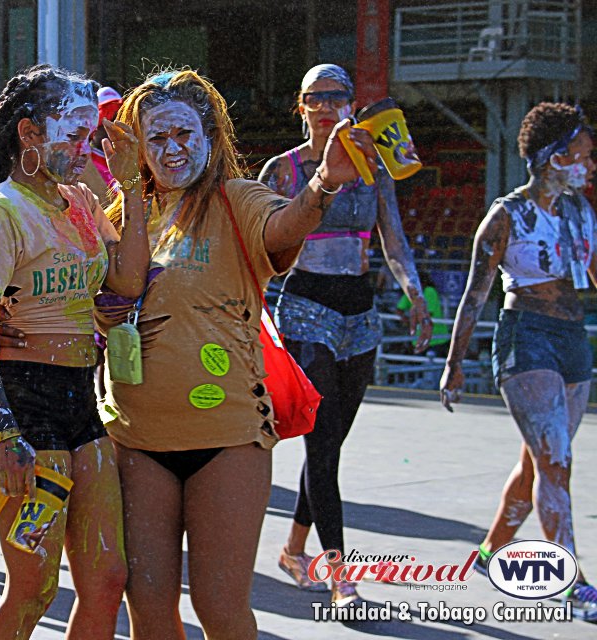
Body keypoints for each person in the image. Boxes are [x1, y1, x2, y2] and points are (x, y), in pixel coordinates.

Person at [93, 68, 377, 638]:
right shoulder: (122, 215)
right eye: (157, 139)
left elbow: (284, 225)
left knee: (221, 611)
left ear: (210, 135)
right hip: (135, 437)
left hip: (226, 439)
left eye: (183, 135)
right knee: (147, 609)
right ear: (137, 148)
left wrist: (323, 182)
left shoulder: (236, 198)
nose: (172, 150)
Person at [0, 64, 148, 639]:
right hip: (24, 408)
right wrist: (5, 436)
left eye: (91, 134)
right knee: (36, 589)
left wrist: (131, 185)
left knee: (108, 577)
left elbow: (129, 282)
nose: (85, 146)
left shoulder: (83, 202)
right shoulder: (0, 213)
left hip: (81, 404)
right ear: (30, 133)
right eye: (75, 133)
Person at [256, 64, 432, 606]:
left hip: (360, 311)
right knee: (323, 439)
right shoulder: (282, 171)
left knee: (329, 444)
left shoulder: (373, 167)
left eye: (339, 96)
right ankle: (337, 573)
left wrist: (416, 294)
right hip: (306, 304)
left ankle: (293, 548)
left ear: (353, 104)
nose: (329, 106)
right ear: (301, 106)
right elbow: (256, 243)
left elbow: (394, 238)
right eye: (317, 98)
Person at [440, 102, 597, 619]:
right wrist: (454, 362)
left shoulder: (580, 211)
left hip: (572, 338)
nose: (590, 165)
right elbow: (474, 294)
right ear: (555, 158)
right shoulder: (505, 217)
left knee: (539, 463)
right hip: (526, 339)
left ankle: (488, 555)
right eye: (583, 155)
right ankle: (571, 582)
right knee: (556, 461)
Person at [81, 86, 123, 206]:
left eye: (118, 121)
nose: (114, 129)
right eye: (107, 122)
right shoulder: (82, 164)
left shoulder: (129, 157)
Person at [398, 271, 449, 357]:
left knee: (432, 366)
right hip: (418, 339)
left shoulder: (430, 291)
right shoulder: (411, 292)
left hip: (436, 338)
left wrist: (411, 319)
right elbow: (399, 308)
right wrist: (404, 318)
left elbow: (429, 313)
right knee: (419, 365)